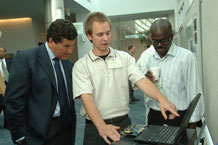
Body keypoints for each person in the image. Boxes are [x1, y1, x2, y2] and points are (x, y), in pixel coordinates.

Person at [73, 12, 179, 145]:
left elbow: (141, 80)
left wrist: (162, 100)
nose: (105, 38)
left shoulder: (125, 58)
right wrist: (101, 126)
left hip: (123, 124)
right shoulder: (81, 65)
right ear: (89, 36)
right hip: (96, 127)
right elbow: (86, 97)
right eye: (100, 35)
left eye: (108, 33)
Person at [4, 19, 77, 145]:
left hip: (66, 131)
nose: (70, 51)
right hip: (37, 134)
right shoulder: (26, 60)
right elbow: (14, 101)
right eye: (66, 46)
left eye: (72, 45)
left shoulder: (69, 65)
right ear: (51, 41)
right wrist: (20, 136)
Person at [144, 19, 204, 128]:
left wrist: (192, 124)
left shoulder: (186, 57)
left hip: (178, 116)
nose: (159, 45)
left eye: (164, 41)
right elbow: (154, 87)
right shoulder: (151, 58)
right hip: (155, 114)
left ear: (171, 37)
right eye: (155, 41)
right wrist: (147, 81)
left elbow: (194, 92)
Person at [0, 46, 11, 128]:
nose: (0, 53)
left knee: (8, 105)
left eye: (1, 51)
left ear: (5, 52)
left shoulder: (10, 62)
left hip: (8, 85)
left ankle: (7, 124)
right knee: (1, 104)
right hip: (0, 86)